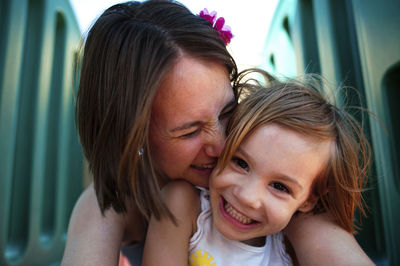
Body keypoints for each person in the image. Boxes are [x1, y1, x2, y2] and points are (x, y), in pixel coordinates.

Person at [61, 1, 374, 265]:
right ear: (133, 136)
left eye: (227, 111)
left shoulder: (272, 173)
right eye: (190, 132)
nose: (226, 143)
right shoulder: (109, 203)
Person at [142, 70, 372, 265]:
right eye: (241, 163)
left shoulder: (289, 248)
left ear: (308, 200)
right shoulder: (183, 204)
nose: (248, 196)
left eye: (280, 187)